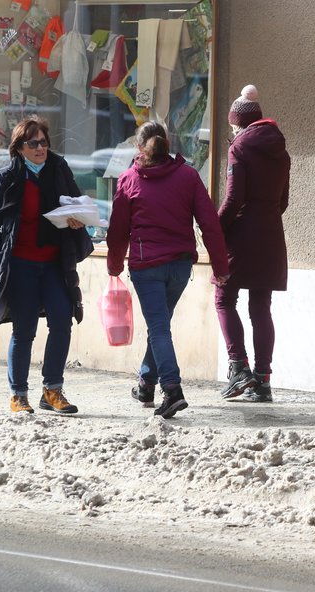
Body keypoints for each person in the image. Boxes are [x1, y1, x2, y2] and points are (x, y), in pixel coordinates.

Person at [107, 121, 230, 418]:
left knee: (159, 327)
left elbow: (117, 231)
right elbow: (210, 224)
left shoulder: (128, 180)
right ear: (167, 143)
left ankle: (172, 389)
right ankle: (147, 383)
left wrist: (113, 265)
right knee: (160, 324)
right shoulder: (187, 176)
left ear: (140, 147)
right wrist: (220, 265)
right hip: (179, 265)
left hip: (146, 266)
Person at [0, 115, 92, 414]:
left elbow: (77, 203)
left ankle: (52, 390)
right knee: (24, 330)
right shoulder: (6, 177)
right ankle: (18, 394)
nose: (41, 148)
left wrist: (77, 221)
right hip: (20, 265)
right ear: (20, 148)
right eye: (34, 143)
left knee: (62, 322)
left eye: (44, 142)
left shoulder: (59, 169)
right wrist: (1, 256)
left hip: (53, 264)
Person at [215, 85, 291, 403]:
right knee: (261, 307)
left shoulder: (240, 147)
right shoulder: (281, 150)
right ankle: (263, 381)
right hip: (272, 234)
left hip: (241, 236)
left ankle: (238, 368)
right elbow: (283, 200)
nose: (232, 130)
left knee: (223, 298)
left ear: (239, 124)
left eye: (233, 125)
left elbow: (234, 199)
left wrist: (215, 228)